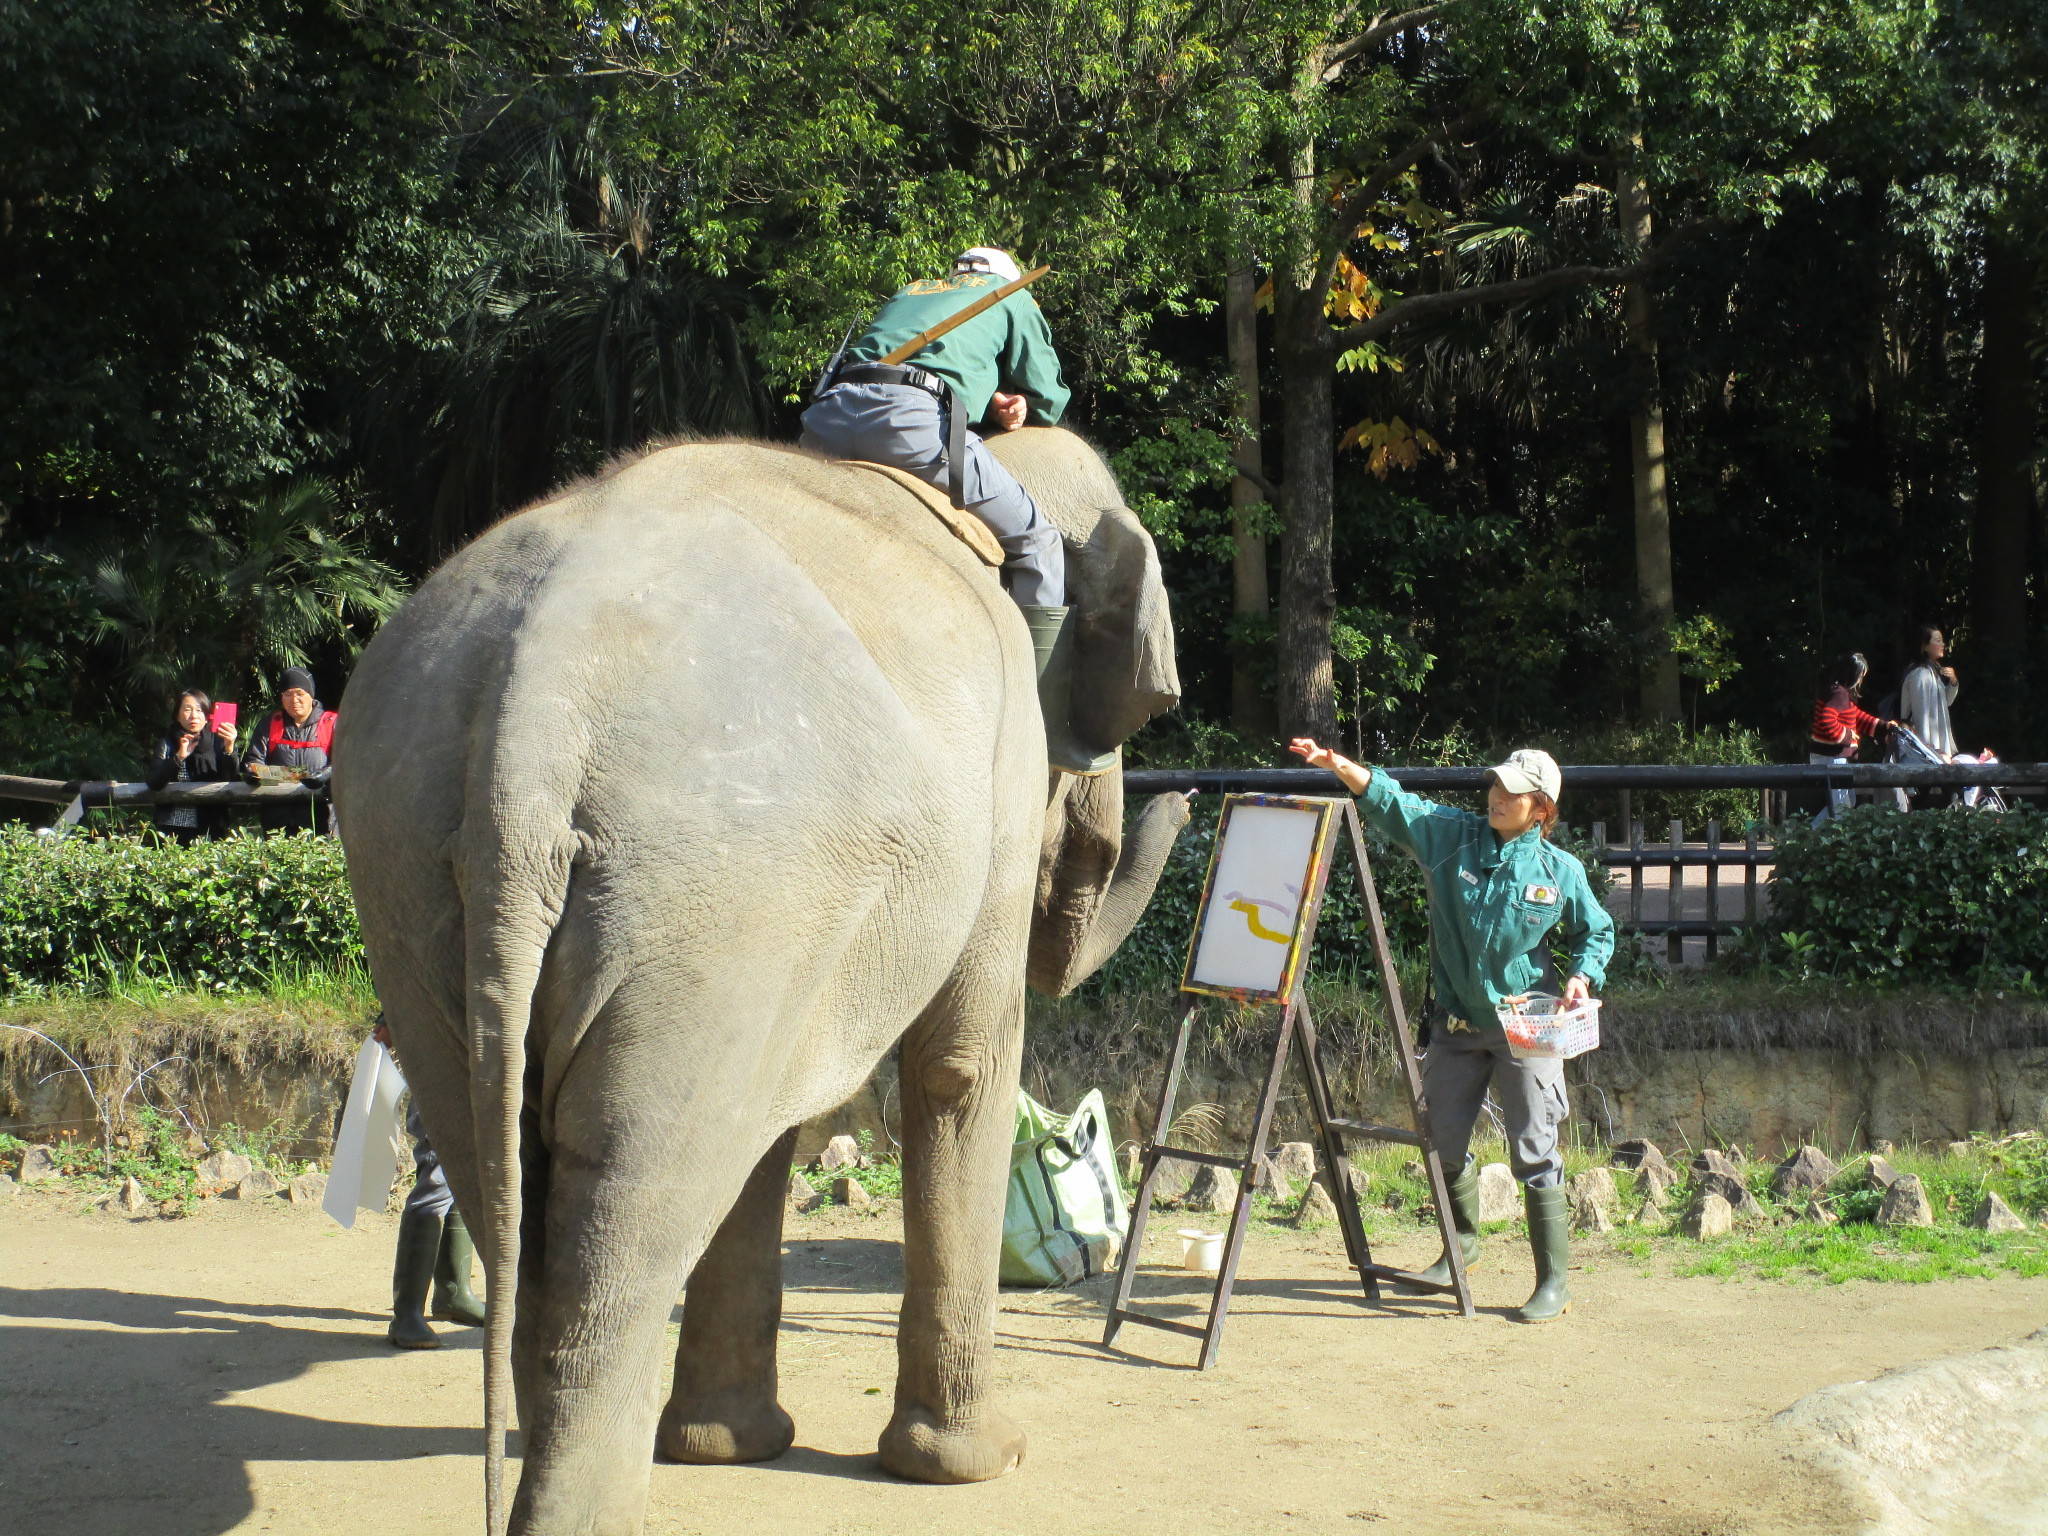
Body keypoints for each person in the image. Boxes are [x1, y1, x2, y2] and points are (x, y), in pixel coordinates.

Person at [1287, 738, 1614, 1323]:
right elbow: (1395, 803)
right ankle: (1460, 1247)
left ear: (1541, 808)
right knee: (1441, 1140)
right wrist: (1336, 765)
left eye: (1513, 792)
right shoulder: (1451, 838)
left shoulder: (1559, 871)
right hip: (1457, 1025)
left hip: (1527, 1029)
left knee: (1534, 1151)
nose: (1497, 797)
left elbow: (1597, 931)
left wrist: (1581, 977)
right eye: (1496, 785)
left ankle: (1553, 1283)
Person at [799, 247, 1102, 774]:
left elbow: (914, 363)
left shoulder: (913, 290)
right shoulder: (1011, 294)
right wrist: (1028, 403)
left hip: (828, 419)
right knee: (1037, 541)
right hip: (908, 425)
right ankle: (1040, 725)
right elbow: (1050, 397)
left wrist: (991, 401)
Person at [371, 1017, 486, 1349]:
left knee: (466, 1175)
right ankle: (407, 1313)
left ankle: (454, 1292)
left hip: (479, 1052)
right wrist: (392, 1017)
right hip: (439, 1051)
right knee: (439, 1169)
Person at [1897, 624, 1995, 807]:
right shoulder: (1919, 675)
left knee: (1942, 792)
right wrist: (1930, 749)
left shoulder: (1933, 672)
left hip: (1933, 749)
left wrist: (1953, 682)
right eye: (1938, 640)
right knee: (1935, 793)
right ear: (1924, 646)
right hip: (1925, 748)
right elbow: (1922, 715)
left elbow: (1944, 703)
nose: (1943, 644)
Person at [242, 666, 337, 834]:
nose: (294, 700)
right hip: (276, 821)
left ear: (311, 695)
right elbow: (254, 764)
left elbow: (344, 763)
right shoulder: (269, 724)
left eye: (300, 693)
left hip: (320, 818)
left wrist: (324, 775)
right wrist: (300, 775)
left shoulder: (330, 723)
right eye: (287, 694)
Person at [1808, 652, 1899, 825]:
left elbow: (1857, 717)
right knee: (1840, 808)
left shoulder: (1838, 692)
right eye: (1861, 676)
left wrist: (1884, 727)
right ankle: (1808, 837)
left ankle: (1810, 836)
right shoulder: (1839, 694)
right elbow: (1827, 721)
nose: (1861, 681)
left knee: (1846, 803)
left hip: (1831, 758)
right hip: (1832, 758)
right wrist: (1848, 735)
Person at [145, 688, 240, 843]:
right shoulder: (167, 743)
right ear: (177, 715)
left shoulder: (219, 741)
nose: (194, 715)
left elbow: (231, 779)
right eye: (187, 709)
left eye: (199, 710)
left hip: (212, 824)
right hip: (174, 826)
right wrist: (178, 757)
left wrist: (229, 748)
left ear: (207, 716)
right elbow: (154, 782)